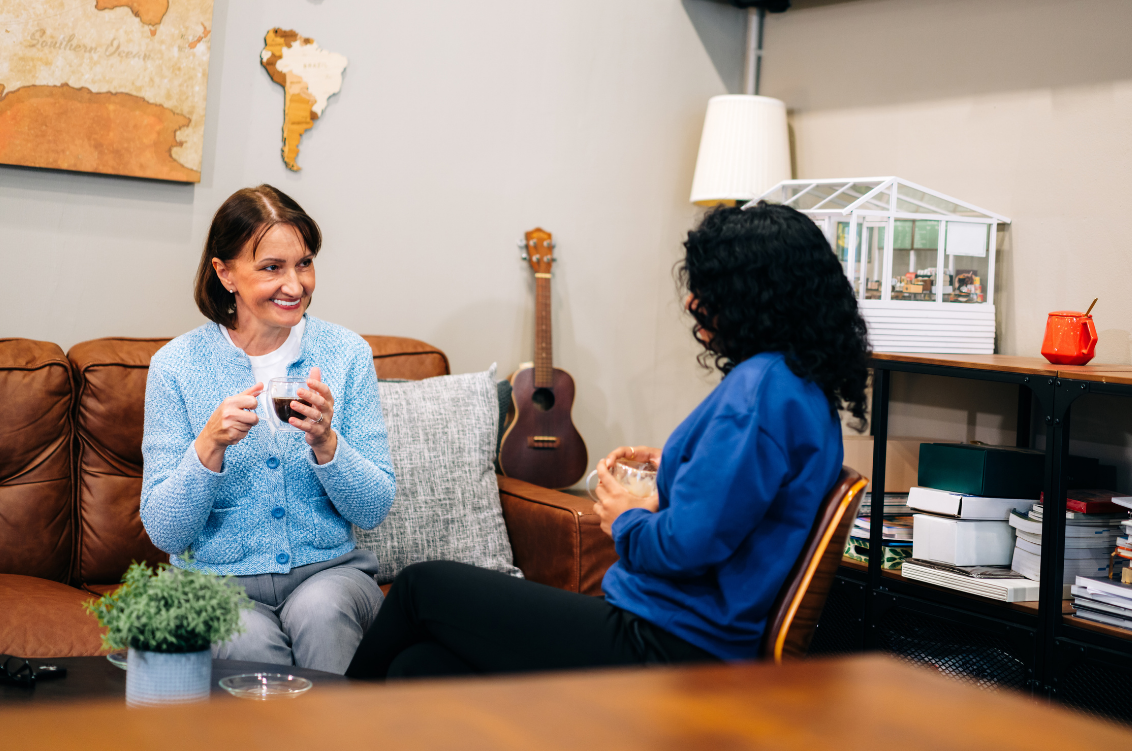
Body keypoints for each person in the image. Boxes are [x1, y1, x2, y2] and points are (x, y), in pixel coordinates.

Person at [345, 202, 871, 679]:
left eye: (709, 288)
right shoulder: (801, 387)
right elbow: (744, 499)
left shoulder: (758, 394)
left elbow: (684, 548)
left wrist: (625, 519)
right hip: (685, 630)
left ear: (755, 295)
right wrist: (677, 467)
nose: (692, 301)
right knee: (421, 667)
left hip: (665, 640)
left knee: (420, 587)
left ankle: (315, 728)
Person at [141, 185, 396, 674]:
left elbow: (373, 508)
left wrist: (327, 442)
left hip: (328, 576)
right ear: (225, 273)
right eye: (272, 268)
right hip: (215, 583)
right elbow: (165, 530)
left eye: (304, 263)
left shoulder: (346, 354)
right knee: (246, 640)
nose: (295, 285)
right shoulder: (175, 366)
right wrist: (209, 446)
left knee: (322, 613)